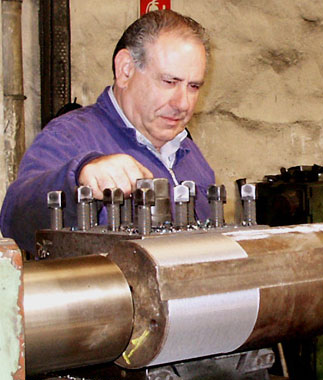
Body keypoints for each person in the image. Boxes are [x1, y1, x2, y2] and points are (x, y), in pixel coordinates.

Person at [0, 9, 215, 255]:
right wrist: (78, 176)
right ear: (125, 70)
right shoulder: (69, 137)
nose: (183, 103)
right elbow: (14, 220)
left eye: (194, 86)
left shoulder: (189, 154)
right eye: (169, 82)